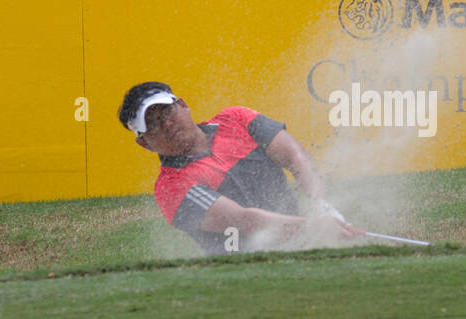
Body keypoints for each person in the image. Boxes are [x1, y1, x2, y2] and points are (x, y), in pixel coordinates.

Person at [119, 82, 358, 254]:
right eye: (152, 125)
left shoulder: (237, 119)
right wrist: (313, 227)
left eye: (167, 111)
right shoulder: (171, 187)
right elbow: (242, 219)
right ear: (144, 143)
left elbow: (295, 157)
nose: (167, 124)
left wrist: (321, 205)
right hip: (247, 273)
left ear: (183, 105)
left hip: (304, 248)